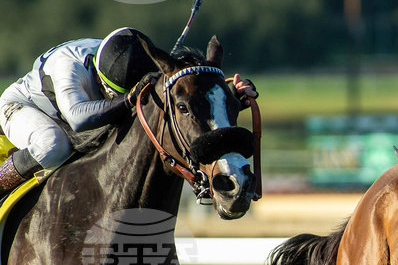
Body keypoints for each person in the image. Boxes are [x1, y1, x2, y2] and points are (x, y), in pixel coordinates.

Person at [0, 27, 258, 194]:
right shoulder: (67, 67)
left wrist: (228, 96)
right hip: (25, 107)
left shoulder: (132, 55)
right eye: (113, 92)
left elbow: (183, 93)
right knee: (53, 145)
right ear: (100, 78)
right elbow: (78, 118)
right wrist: (127, 100)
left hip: (68, 112)